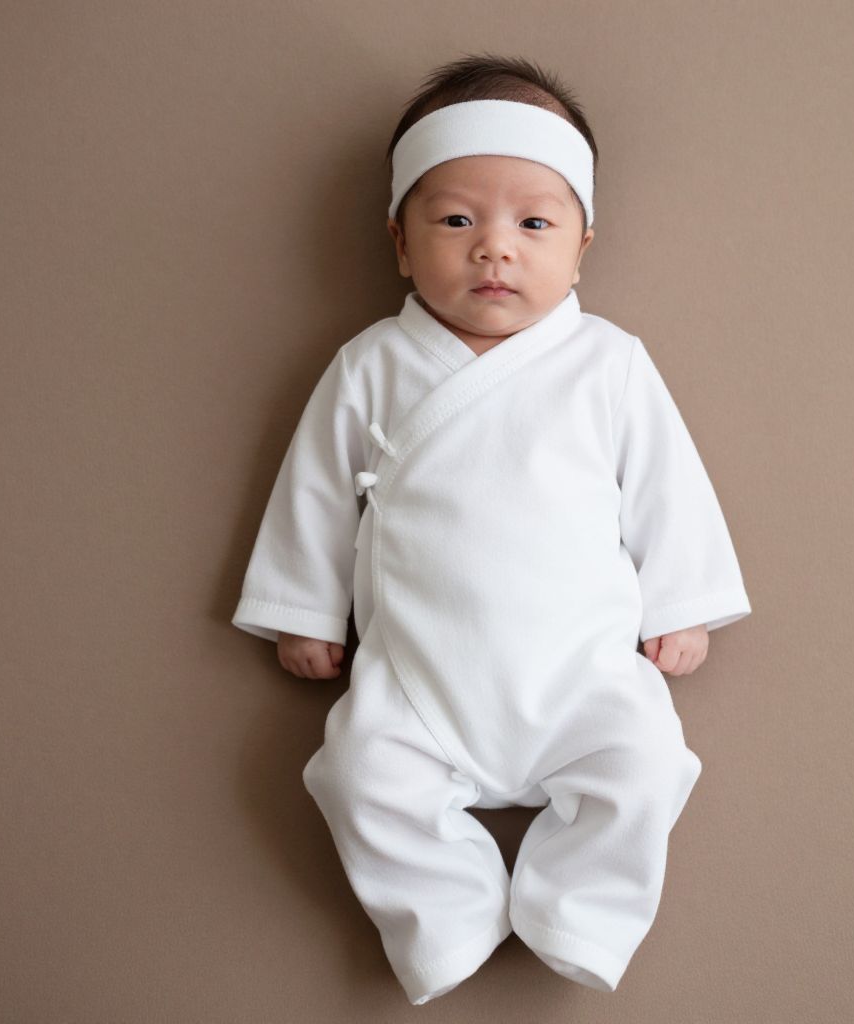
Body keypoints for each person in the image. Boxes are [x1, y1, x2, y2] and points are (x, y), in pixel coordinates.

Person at [231, 54, 752, 1006]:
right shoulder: (371, 365)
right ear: (400, 243)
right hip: (420, 681)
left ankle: (581, 912)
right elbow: (315, 490)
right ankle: (447, 916)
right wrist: (304, 608)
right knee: (356, 775)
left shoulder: (609, 363)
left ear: (582, 247)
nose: (494, 250)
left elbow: (668, 487)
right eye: (457, 221)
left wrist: (683, 600)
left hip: (582, 676)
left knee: (647, 765)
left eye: (533, 224)